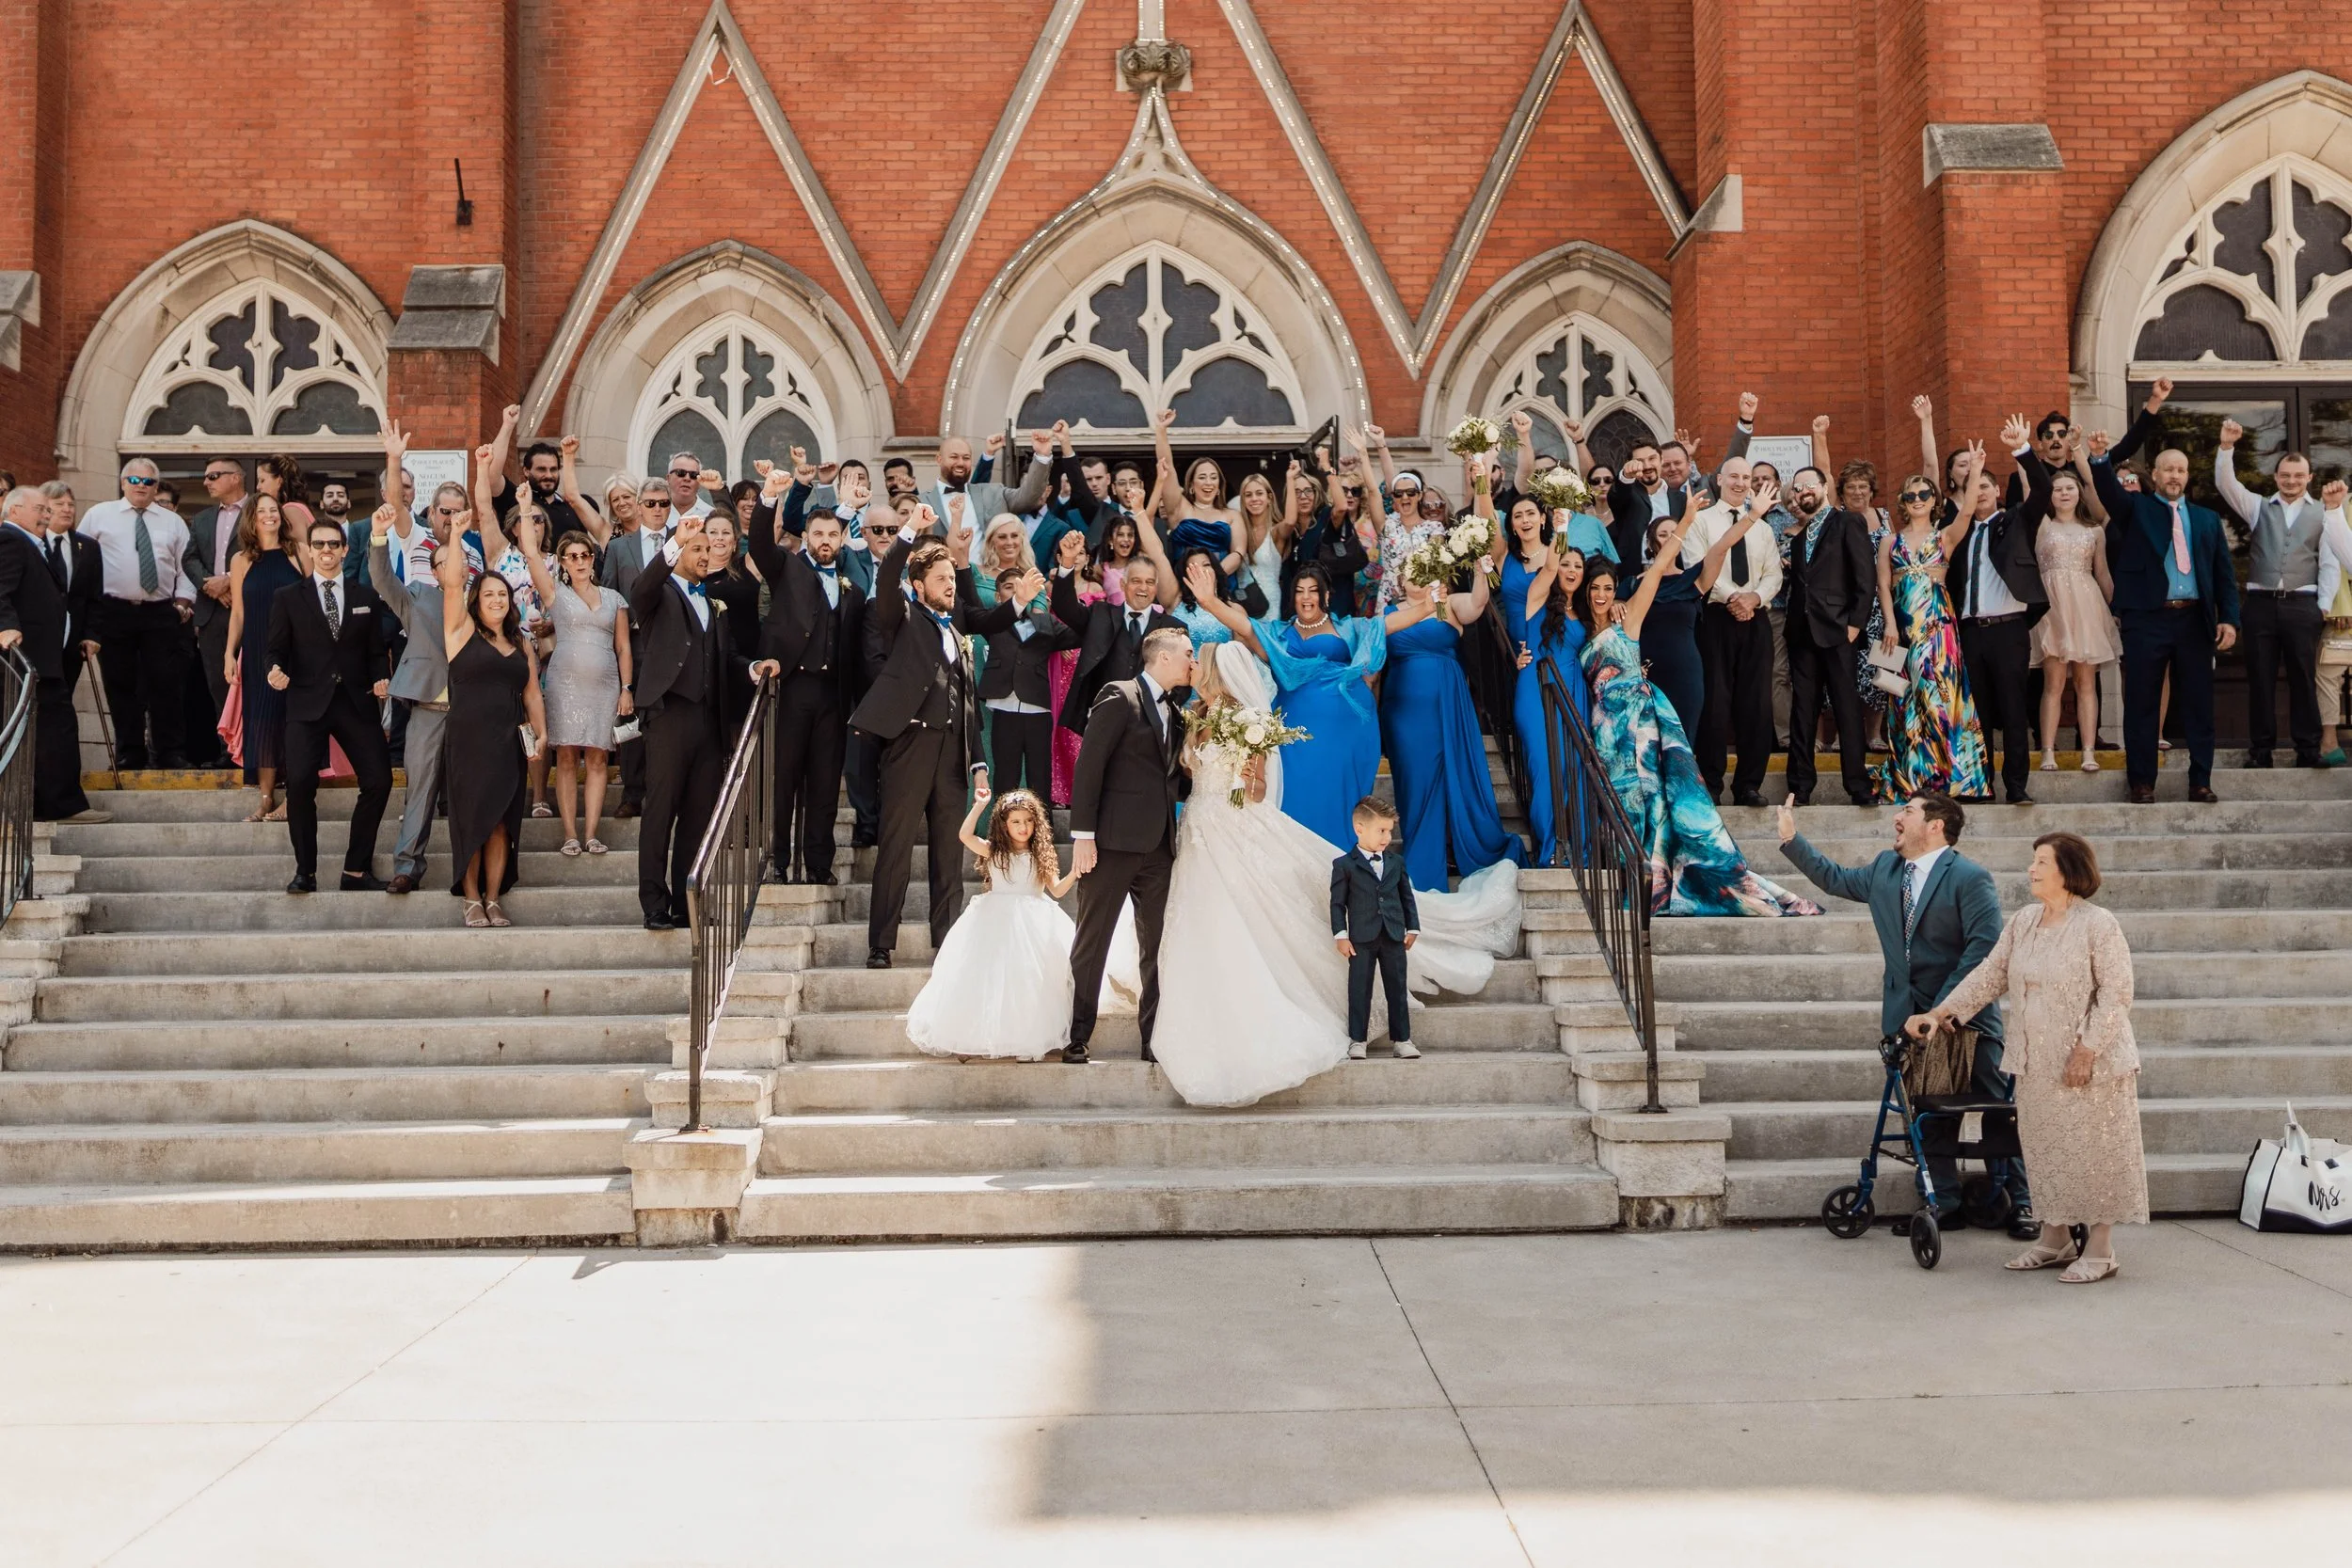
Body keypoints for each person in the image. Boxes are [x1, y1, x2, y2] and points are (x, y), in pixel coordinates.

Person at [1143, 641, 1521, 1103]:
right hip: (1197, 828)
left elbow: (1257, 789)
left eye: (1198, 662)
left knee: (1238, 914)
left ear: (1217, 672)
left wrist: (1246, 779)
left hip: (1230, 827)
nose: (1193, 666)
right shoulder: (1195, 714)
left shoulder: (1249, 721)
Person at [1779, 791, 2034, 1233]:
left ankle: (2021, 1204)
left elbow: (1983, 951)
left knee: (1997, 1113)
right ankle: (1943, 1203)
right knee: (1923, 1115)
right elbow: (1834, 879)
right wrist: (1792, 839)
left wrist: (1943, 1009)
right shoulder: (1884, 868)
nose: (1897, 817)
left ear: (1935, 825)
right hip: (1907, 1018)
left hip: (1968, 1021)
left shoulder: (1970, 877)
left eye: (1908, 811)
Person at [1906, 831, 2142, 1280]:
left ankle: (2101, 1248)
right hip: (2034, 1059)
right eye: (2033, 862)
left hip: (2090, 1061)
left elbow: (2116, 994)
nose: (2031, 870)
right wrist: (1939, 1014)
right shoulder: (2024, 921)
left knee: (2097, 1152)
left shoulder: (2098, 924)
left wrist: (2087, 1049)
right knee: (2045, 1150)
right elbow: (1989, 976)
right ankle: (2054, 1239)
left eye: (2041, 863)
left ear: (2067, 872)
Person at [1581, 502, 1818, 917]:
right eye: (1595, 590)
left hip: (1652, 704)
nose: (1602, 595)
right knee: (1627, 799)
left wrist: (1697, 517)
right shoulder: (1597, 614)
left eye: (1606, 589)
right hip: (1609, 722)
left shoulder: (1646, 603)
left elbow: (1693, 558)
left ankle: (1660, 875)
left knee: (1660, 788)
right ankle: (1632, 869)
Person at [2090, 379, 2240, 803]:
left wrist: (2229, 617)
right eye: (2167, 470)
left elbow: (2224, 575)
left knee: (2197, 703)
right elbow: (2105, 488)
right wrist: (2101, 458)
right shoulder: (2135, 509)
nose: (2174, 476)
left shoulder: (2207, 520)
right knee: (2141, 702)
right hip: (2147, 619)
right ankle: (2142, 782)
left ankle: (2201, 781)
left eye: (2180, 470)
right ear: (2153, 475)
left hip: (2194, 620)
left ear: (2187, 476)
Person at [849, 510, 987, 967]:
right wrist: (908, 531)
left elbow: (970, 704)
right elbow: (888, 578)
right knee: (897, 846)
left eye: (953, 576)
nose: (950, 584)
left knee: (949, 852)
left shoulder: (956, 631)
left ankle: (944, 941)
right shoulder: (900, 614)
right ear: (920, 583)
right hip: (909, 746)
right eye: (942, 577)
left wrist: (978, 762)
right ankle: (880, 945)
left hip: (952, 755)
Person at [629, 511, 770, 930]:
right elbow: (639, 590)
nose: (707, 555)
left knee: (697, 817)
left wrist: (752, 668)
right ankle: (654, 903)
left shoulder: (713, 601)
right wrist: (676, 540)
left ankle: (685, 904)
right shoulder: (659, 593)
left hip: (709, 720)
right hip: (669, 713)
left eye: (710, 549)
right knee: (660, 812)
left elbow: (724, 658)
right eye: (698, 548)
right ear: (678, 554)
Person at [1063, 627, 1193, 1067]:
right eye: (1188, 654)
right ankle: (1078, 1035)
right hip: (1112, 845)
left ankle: (1152, 1039)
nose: (1193, 662)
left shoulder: (1177, 711)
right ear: (1162, 658)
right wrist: (1083, 836)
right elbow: (1090, 765)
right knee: (1092, 940)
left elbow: (1173, 778)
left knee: (1157, 946)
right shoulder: (1119, 696)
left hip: (1159, 847)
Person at [1189, 561, 1384, 850]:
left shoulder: (1348, 628)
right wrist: (1209, 601)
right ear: (1292, 597)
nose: (1307, 597)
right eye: (1300, 591)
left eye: (1314, 591)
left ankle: (1342, 866)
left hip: (1345, 729)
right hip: (1293, 730)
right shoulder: (1277, 635)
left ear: (1327, 596)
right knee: (1296, 793)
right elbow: (1242, 624)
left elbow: (1388, 624)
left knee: (1336, 793)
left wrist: (1432, 604)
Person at [1369, 565, 1524, 891]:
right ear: (1400, 580)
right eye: (1410, 571)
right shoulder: (1390, 612)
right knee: (1416, 782)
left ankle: (1469, 847)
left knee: (1457, 775)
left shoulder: (1449, 603)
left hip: (1448, 703)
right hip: (1403, 709)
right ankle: (1421, 870)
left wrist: (1481, 570)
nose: (1416, 576)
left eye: (1422, 570)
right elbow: (1375, 662)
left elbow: (1479, 603)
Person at [748, 462, 867, 884]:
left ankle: (818, 864)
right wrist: (768, 498)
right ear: (807, 537)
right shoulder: (788, 568)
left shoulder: (850, 577)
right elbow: (760, 544)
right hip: (793, 688)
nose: (825, 541)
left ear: (841, 540)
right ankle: (777, 863)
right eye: (818, 534)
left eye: (833, 534)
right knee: (785, 781)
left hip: (834, 696)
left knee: (822, 787)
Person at [905, 785, 1085, 1060]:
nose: (1023, 827)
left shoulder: (1041, 856)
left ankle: (1026, 1039)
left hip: (1033, 925)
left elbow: (1057, 891)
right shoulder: (994, 851)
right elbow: (964, 835)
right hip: (994, 922)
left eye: (1028, 821)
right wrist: (979, 806)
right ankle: (973, 1039)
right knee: (988, 979)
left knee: (1027, 981)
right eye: (1015, 822)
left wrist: (1075, 871)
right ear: (1004, 825)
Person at [2214, 419, 2352, 768]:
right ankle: (2261, 751)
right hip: (2260, 605)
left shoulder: (2324, 512)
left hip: (2302, 605)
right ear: (2276, 477)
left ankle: (2308, 749)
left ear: (2309, 478)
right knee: (2259, 680)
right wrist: (2226, 448)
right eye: (2285, 475)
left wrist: (2321, 605)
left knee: (2303, 679)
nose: (2291, 481)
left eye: (2298, 475)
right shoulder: (2259, 507)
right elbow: (2227, 486)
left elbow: (2332, 562)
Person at [1925, 403, 2045, 806]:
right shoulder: (1954, 532)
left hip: (2009, 629)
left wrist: (2023, 449)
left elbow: (2042, 491)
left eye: (1987, 489)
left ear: (1997, 492)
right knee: (1975, 715)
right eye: (1974, 489)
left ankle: (2016, 786)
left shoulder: (2015, 522)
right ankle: (1979, 783)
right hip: (1969, 632)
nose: (1980, 495)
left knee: (2013, 711)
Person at [265, 517, 393, 896]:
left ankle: (356, 870)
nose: (325, 551)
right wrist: (275, 670)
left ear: (344, 550)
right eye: (318, 545)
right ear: (308, 549)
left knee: (379, 780)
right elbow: (276, 649)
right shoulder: (287, 597)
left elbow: (374, 652)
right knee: (301, 784)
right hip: (306, 702)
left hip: (356, 702)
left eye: (332, 545)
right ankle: (305, 871)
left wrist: (381, 678)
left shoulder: (365, 597)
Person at [1872, 451, 1993, 802]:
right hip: (1902, 630)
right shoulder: (1888, 541)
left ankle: (1952, 777)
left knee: (1940, 697)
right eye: (1910, 496)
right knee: (1905, 699)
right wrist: (1891, 626)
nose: (1918, 500)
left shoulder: (1945, 537)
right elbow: (1883, 586)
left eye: (1924, 495)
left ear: (1935, 501)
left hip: (1939, 628)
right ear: (1902, 503)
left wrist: (1977, 473)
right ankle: (1912, 777)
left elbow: (1969, 510)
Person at [520, 523, 630, 857]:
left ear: (593, 559)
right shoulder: (554, 592)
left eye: (585, 555)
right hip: (564, 684)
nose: (581, 561)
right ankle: (570, 834)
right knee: (566, 757)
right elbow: (529, 552)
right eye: (573, 557)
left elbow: (624, 647)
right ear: (563, 562)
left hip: (606, 684)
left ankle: (592, 834)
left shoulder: (614, 598)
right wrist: (525, 509)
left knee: (598, 758)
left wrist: (627, 688)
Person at [79, 457, 197, 768]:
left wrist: (183, 603)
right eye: (134, 480)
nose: (141, 487)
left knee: (166, 684)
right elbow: (83, 563)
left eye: (148, 482)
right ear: (122, 483)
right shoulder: (98, 515)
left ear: (156, 487)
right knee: (120, 685)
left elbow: (188, 566)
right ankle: (130, 752)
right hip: (113, 611)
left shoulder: (172, 522)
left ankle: (170, 752)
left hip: (160, 613)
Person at [2022, 433, 2122, 771]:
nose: (2064, 493)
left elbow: (2103, 574)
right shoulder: (2040, 526)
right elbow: (2028, 486)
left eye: (2070, 488)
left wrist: (2115, 608)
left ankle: (2089, 751)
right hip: (2052, 609)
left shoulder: (2094, 530)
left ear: (2078, 493)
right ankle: (2048, 750)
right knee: (2053, 683)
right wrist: (2024, 451)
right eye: (2057, 488)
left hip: (2087, 607)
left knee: (2085, 683)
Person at [1781, 465, 1876, 806]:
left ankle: (1858, 785)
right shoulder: (1798, 537)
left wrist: (1854, 625)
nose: (1803, 491)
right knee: (1803, 711)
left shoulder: (1848, 521)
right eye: (1797, 488)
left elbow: (1865, 579)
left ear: (1824, 487)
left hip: (1838, 631)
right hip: (1802, 635)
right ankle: (1800, 786)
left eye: (1809, 485)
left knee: (1846, 708)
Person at [367, 503, 450, 895]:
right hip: (429, 709)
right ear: (434, 572)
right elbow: (383, 580)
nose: (453, 569)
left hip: (474, 712)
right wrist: (379, 537)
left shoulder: (485, 599)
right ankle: (406, 868)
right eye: (444, 563)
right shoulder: (418, 597)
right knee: (419, 790)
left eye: (459, 562)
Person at [1691, 461, 1784, 806]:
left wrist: (1754, 598)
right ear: (1719, 481)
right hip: (1715, 617)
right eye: (1735, 476)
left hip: (1755, 619)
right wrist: (1733, 596)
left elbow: (1774, 574)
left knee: (1756, 705)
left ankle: (1748, 785)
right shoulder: (1702, 521)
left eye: (1747, 478)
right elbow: (1700, 565)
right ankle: (1711, 784)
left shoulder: (1763, 528)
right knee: (1714, 704)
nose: (1741, 483)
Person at [0, 487, 93, 820]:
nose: (47, 515)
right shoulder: (9, 540)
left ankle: (52, 804)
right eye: (40, 508)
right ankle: (60, 806)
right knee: (55, 729)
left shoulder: (33, 545)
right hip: (24, 659)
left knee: (54, 729)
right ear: (14, 511)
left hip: (45, 659)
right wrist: (6, 626)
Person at [222, 495, 307, 817]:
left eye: (274, 510)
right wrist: (230, 654)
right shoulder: (241, 560)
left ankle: (295, 798)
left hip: (296, 648)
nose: (270, 516)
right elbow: (238, 614)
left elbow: (312, 597)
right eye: (262, 512)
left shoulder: (298, 551)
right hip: (257, 649)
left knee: (296, 722)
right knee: (263, 723)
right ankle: (266, 798)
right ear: (251, 519)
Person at [1049, 552, 1181, 737]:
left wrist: (1162, 710)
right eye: (1136, 581)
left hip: (1152, 730)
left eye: (1150, 582)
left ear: (1156, 587)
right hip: (1101, 723)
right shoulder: (1099, 615)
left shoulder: (1173, 628)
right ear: (1122, 584)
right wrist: (1067, 563)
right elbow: (1065, 608)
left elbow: (1183, 680)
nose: (1143, 588)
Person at [1332, 797, 1420, 1062]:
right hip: (1361, 937)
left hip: (1393, 934)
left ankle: (1402, 1040)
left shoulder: (1396, 862)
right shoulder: (1344, 865)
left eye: (1390, 830)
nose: (1387, 837)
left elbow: (1407, 896)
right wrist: (1341, 935)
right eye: (1381, 830)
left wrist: (1413, 927)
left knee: (1397, 987)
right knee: (1359, 989)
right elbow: (1337, 904)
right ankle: (1358, 1040)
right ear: (1360, 828)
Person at [183, 456, 247, 757]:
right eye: (206, 477)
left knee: (251, 679)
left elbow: (265, 552)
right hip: (212, 611)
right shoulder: (203, 518)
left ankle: (252, 747)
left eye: (213, 476)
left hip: (249, 607)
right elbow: (189, 558)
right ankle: (228, 750)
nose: (206, 482)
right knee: (218, 681)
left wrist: (230, 581)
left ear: (235, 477)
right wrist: (210, 585)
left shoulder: (259, 512)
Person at [1044, 528, 1104, 806]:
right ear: (1059, 557)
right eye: (1072, 553)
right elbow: (1048, 619)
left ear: (1089, 558)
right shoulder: (1051, 587)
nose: (1078, 558)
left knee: (1079, 725)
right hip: (1059, 661)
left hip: (1083, 660)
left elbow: (1098, 628)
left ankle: (1079, 789)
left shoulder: (1098, 591)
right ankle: (1059, 791)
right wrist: (1060, 642)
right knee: (1059, 724)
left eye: (1082, 553)